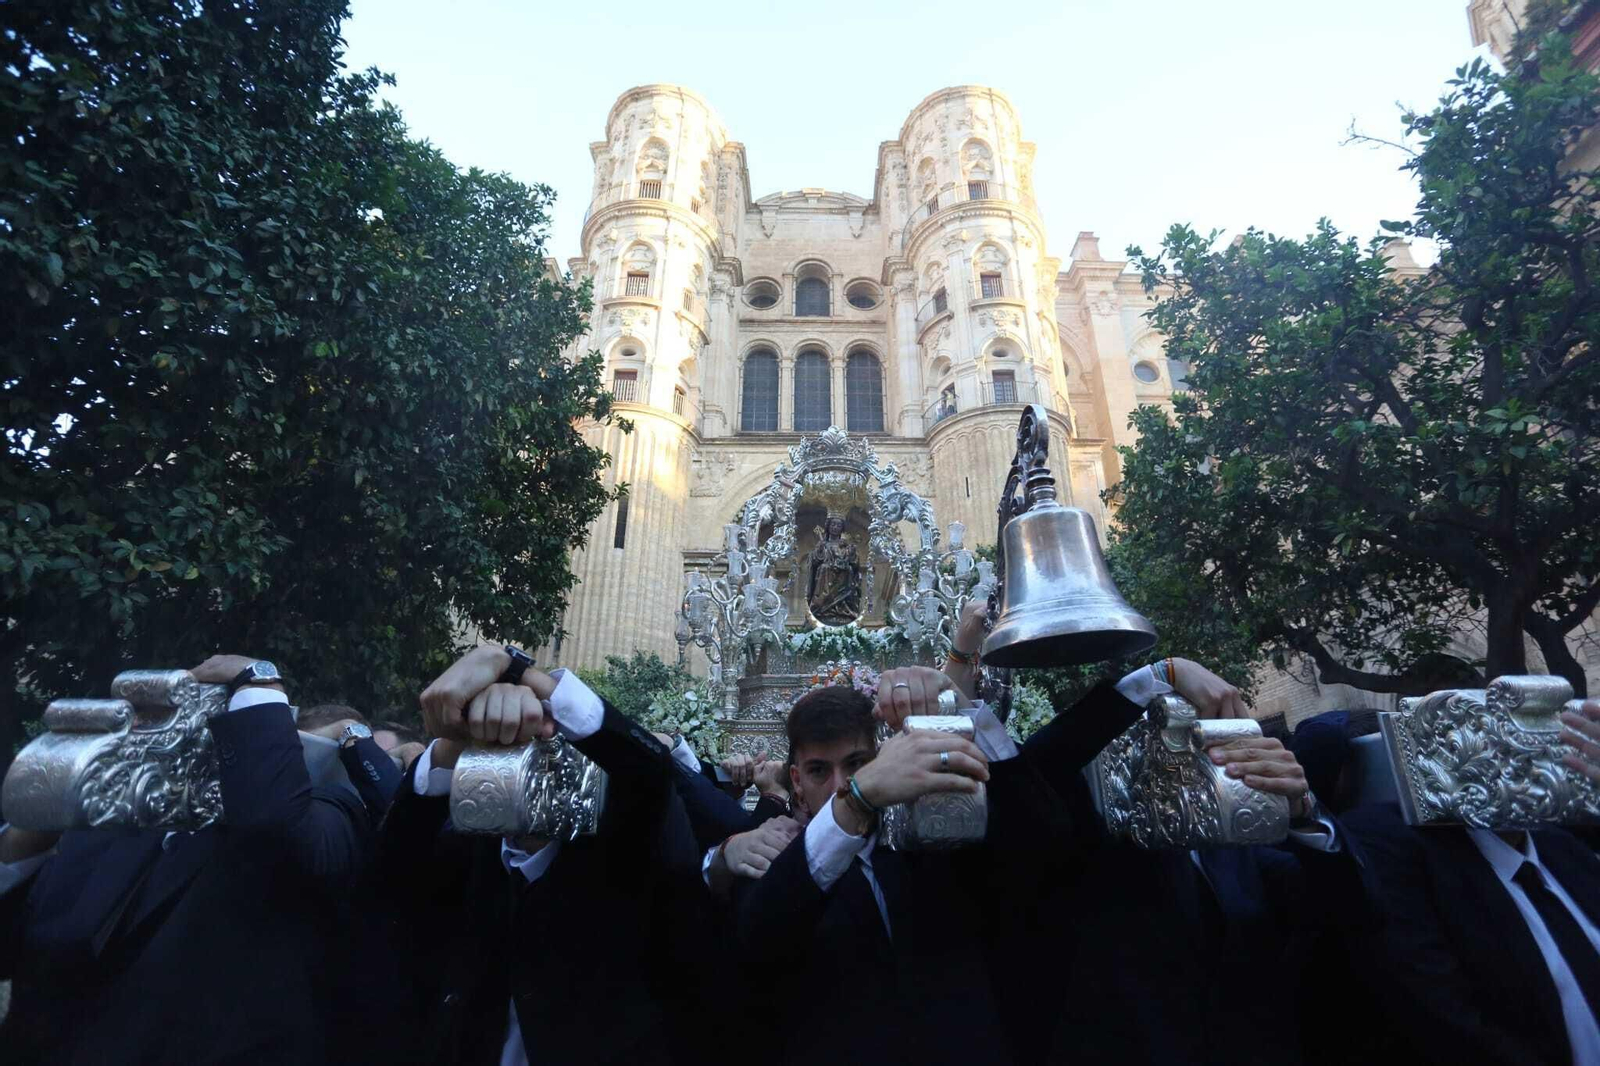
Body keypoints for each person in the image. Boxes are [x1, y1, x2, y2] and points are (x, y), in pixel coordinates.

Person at [944, 601, 1374, 1065]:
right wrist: (1161, 675)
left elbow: (1351, 911)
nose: (1177, 752)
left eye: (1191, 738)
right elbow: (1039, 768)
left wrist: (1303, 813)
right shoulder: (1090, 853)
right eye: (1159, 736)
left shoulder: (1239, 847)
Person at [0, 655, 373, 1064]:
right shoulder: (113, 817)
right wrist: (25, 839)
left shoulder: (336, 817)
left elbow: (275, 823)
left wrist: (259, 682)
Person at [374, 644, 718, 1065]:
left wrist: (515, 669)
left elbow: (646, 767)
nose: (517, 758)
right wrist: (451, 743)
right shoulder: (467, 857)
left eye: (537, 740)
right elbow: (391, 867)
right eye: (498, 744)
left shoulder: (626, 857)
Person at [726, 667, 1075, 1065]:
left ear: (882, 759)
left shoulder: (935, 842)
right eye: (819, 770)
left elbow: (1046, 839)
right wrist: (853, 802)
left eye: (857, 763)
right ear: (796, 780)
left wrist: (960, 709)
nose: (841, 782)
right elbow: (760, 936)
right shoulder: (769, 854)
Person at [1338, 697, 1600, 1066]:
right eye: (1495, 745)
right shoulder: (1405, 859)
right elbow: (1446, 1023)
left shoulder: (1562, 845)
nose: (1523, 763)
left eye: (1534, 743)